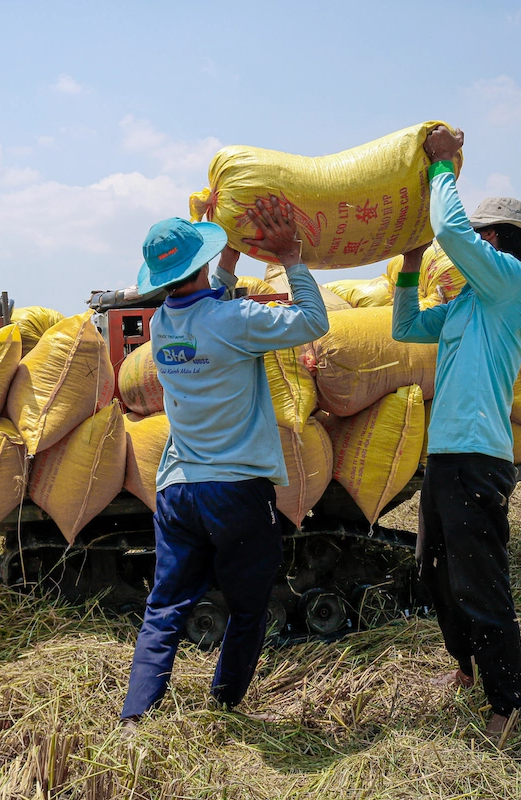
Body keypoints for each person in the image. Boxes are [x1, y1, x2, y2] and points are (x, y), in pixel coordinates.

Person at [119, 198, 329, 730]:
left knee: (164, 607)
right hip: (235, 491)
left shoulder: (162, 326)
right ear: (201, 263)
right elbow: (312, 320)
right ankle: (225, 703)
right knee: (249, 607)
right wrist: (291, 258)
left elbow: (208, 303)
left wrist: (228, 259)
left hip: (178, 490)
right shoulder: (236, 320)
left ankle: (136, 716)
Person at [392, 125, 521, 740]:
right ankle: (464, 666)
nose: (471, 243)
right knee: (434, 572)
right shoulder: (465, 305)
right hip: (446, 456)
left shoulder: (512, 283)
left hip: (479, 456)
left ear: (495, 241)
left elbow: (450, 231)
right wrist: (410, 268)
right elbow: (407, 328)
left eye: (480, 235)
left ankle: (507, 701)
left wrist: (441, 167)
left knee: (479, 581)